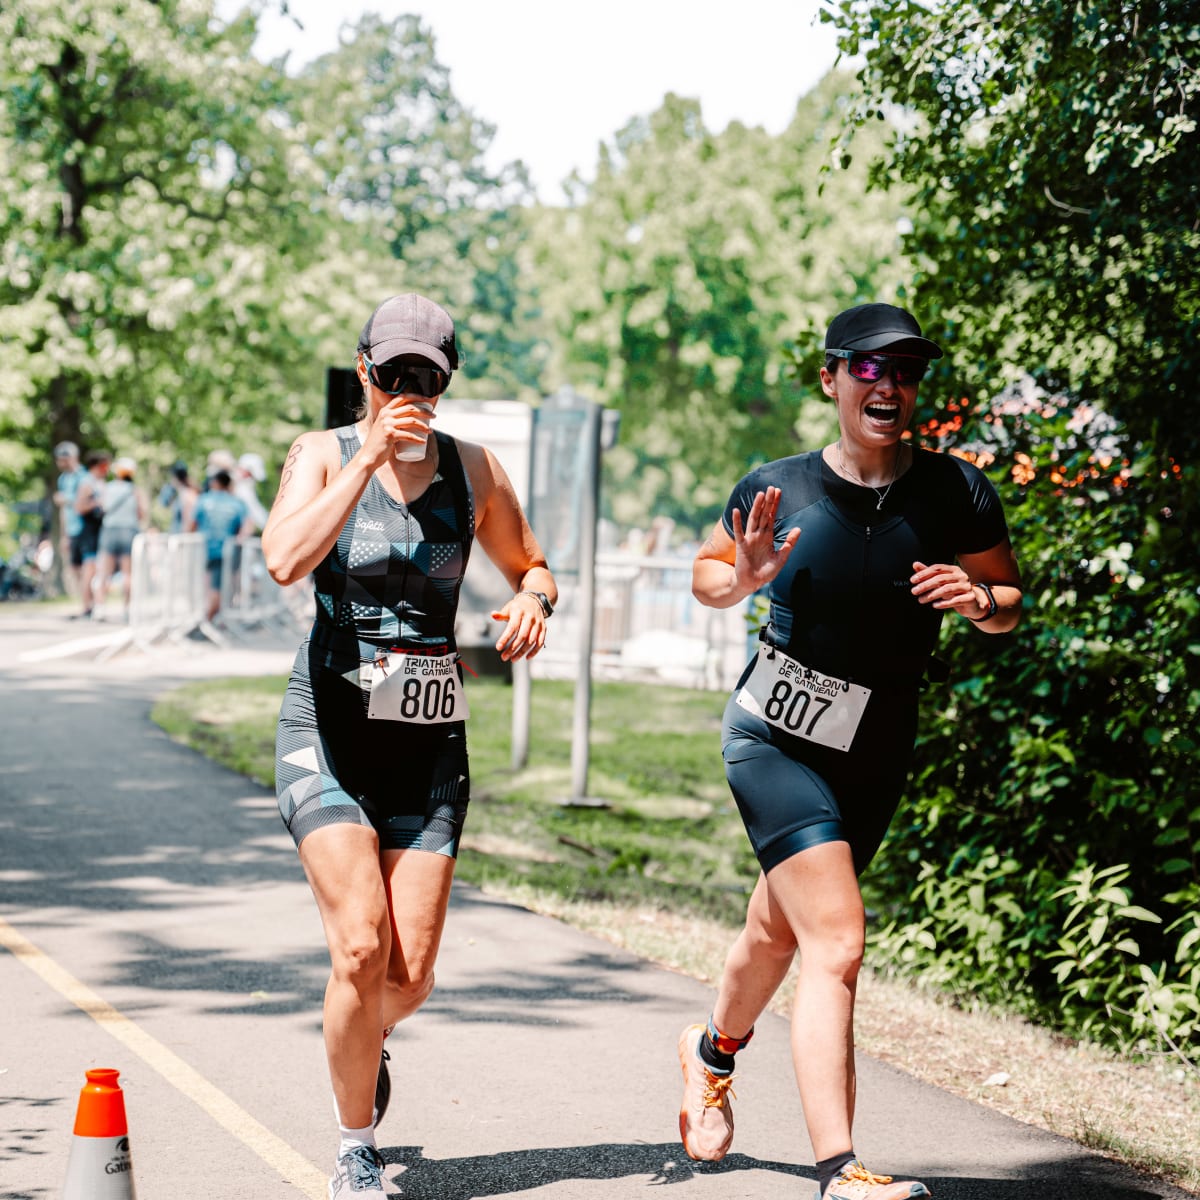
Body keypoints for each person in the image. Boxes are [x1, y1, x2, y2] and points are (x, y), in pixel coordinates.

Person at [678, 302, 1023, 1200]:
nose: (890, 386)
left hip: (877, 747)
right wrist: (742, 578)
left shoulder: (956, 491)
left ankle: (710, 1055)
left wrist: (979, 602)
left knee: (775, 930)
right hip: (774, 737)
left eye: (906, 372)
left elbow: (1008, 596)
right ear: (830, 378)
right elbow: (708, 573)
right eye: (869, 369)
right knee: (837, 942)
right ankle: (840, 1169)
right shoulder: (777, 488)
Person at [262, 292, 557, 1199]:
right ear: (365, 374)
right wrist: (365, 463)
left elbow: (533, 564)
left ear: (447, 379)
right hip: (328, 735)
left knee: (409, 973)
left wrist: (534, 601)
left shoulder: (475, 473)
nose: (410, 391)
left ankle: (363, 1034)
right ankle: (357, 1149)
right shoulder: (321, 455)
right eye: (394, 375)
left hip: (428, 750)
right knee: (359, 949)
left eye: (426, 377)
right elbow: (284, 559)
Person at [187, 469, 251, 620]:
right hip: (227, 551)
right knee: (219, 586)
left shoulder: (203, 500)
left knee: (210, 587)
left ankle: (207, 619)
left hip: (204, 549)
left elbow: (192, 525)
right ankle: (212, 618)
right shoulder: (236, 503)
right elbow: (247, 525)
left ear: (215, 482)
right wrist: (240, 540)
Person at [91, 456, 148, 619]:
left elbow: (102, 507)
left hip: (109, 530)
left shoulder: (107, 488)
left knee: (104, 571)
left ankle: (100, 607)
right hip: (129, 531)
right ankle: (127, 609)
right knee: (127, 573)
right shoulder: (135, 491)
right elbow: (142, 514)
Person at [72, 450, 112, 618]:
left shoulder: (100, 482)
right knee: (89, 568)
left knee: (98, 569)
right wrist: (97, 503)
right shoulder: (87, 483)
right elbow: (79, 507)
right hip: (89, 531)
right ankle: (87, 606)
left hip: (100, 530)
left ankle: (96, 604)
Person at [52, 442, 89, 612]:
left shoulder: (84, 476)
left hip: (86, 528)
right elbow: (63, 512)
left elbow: (86, 502)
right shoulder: (63, 479)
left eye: (63, 460)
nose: (60, 464)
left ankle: (89, 604)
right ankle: (85, 603)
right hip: (72, 529)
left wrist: (67, 499)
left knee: (88, 566)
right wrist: (63, 535)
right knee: (75, 568)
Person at [159, 460, 199, 533]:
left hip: (183, 534)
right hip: (177, 532)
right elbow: (164, 503)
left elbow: (190, 519)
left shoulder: (188, 492)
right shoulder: (173, 490)